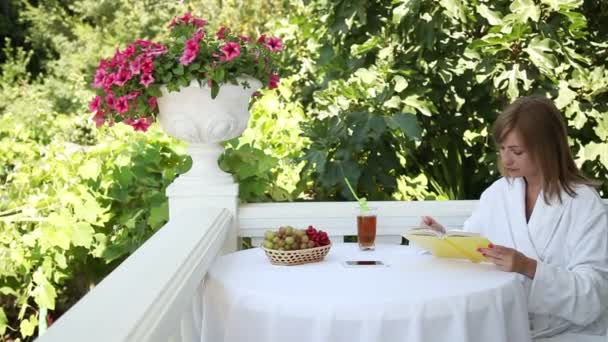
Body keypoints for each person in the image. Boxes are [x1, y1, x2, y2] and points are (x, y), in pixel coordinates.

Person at [421, 96, 608, 339]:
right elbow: (474, 248)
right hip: (504, 324)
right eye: (502, 149)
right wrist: (443, 237)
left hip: (568, 332)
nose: (506, 160)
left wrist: (528, 267)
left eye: (517, 151)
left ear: (547, 148)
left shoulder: (583, 203)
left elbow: (593, 296)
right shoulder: (499, 193)